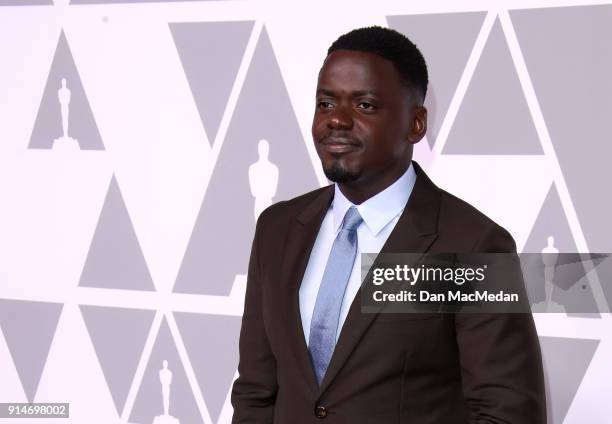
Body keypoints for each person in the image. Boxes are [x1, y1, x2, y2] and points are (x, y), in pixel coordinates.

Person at [231, 26, 546, 423]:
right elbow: (256, 394)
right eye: (326, 103)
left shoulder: (475, 244)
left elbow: (510, 413)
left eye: (364, 105)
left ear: (416, 124)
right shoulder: (276, 229)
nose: (337, 121)